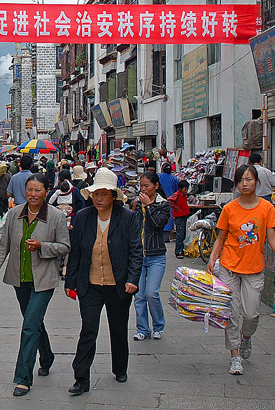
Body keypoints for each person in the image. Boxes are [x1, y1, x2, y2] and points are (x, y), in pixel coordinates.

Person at [0, 174, 71, 397]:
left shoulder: (55, 216)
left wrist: (42, 246)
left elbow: (64, 246)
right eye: (30, 190)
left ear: (46, 191)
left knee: (29, 325)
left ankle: (23, 378)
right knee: (33, 322)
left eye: (38, 190)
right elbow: (3, 245)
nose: (33, 194)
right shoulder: (14, 214)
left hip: (44, 279)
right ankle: (47, 356)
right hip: (19, 278)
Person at [65, 168, 142, 396]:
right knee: (88, 329)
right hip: (89, 285)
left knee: (118, 328)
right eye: (96, 194)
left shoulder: (127, 218)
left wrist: (132, 280)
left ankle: (120, 368)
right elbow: (76, 251)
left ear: (113, 196)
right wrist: (70, 282)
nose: (99, 199)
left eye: (104, 194)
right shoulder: (83, 217)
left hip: (118, 284)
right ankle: (81, 378)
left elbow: (136, 251)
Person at [207, 164, 275, 376]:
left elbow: (271, 238)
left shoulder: (266, 208)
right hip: (229, 267)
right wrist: (213, 258)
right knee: (231, 313)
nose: (245, 183)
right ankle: (234, 357)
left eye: (249, 179)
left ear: (257, 183)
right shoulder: (229, 209)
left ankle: (246, 338)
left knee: (251, 315)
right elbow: (221, 239)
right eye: (241, 180)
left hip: (254, 269)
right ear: (236, 183)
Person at [132, 171, 172, 341]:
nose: (143, 189)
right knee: (139, 294)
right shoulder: (136, 203)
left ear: (156, 186)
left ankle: (158, 325)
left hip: (156, 255)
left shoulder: (163, 204)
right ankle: (142, 328)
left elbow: (158, 225)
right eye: (141, 186)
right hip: (138, 255)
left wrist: (148, 206)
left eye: (146, 186)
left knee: (151, 293)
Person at [168, 179, 192, 259]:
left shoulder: (184, 195)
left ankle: (181, 250)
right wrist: (176, 208)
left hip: (184, 215)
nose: (186, 191)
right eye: (185, 189)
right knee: (179, 234)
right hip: (179, 216)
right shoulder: (177, 194)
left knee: (183, 234)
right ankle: (178, 251)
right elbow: (170, 200)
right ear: (180, 189)